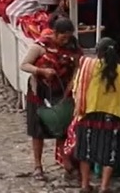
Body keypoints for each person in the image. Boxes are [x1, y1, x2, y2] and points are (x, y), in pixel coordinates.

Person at [19, 16, 81, 182]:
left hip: (62, 92)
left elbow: (77, 65)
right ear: (55, 33)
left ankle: (66, 163)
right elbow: (24, 65)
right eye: (63, 37)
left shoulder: (72, 46)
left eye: (68, 37)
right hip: (39, 92)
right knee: (37, 130)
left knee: (62, 127)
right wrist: (42, 72)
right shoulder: (41, 46)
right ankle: (38, 166)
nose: (65, 41)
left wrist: (72, 84)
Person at [66, 38, 120, 193]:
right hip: (113, 115)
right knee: (110, 152)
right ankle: (104, 187)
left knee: (85, 152)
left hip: (89, 113)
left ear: (98, 52)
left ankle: (85, 185)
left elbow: (76, 88)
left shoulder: (88, 67)